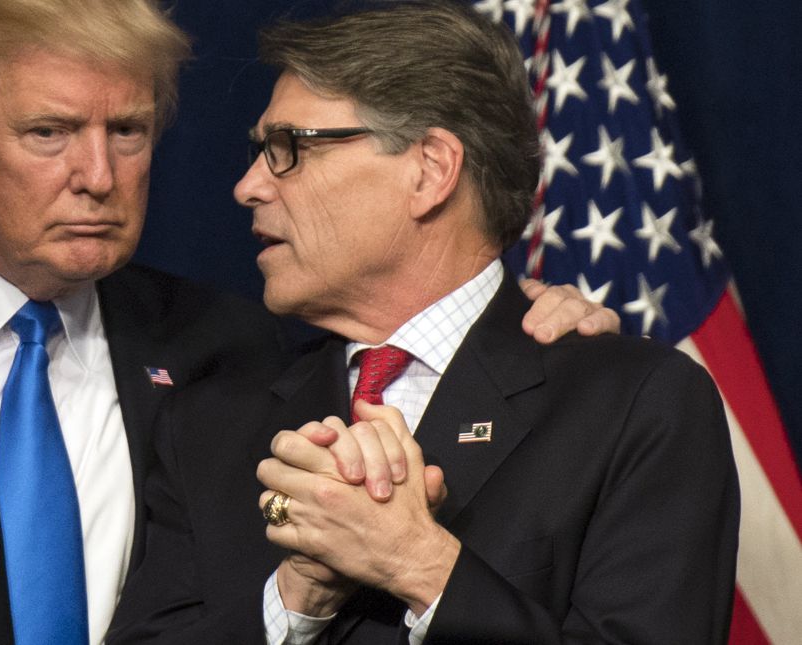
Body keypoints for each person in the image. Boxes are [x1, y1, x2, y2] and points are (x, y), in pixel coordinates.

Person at [0, 0, 616, 643]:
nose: (97, 172)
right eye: (49, 132)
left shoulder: (228, 343)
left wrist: (508, 311)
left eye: (126, 132)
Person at [108, 2, 739, 644]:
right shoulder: (208, 424)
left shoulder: (636, 407)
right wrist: (294, 597)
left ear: (430, 170)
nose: (248, 186)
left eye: (288, 149)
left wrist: (420, 564)